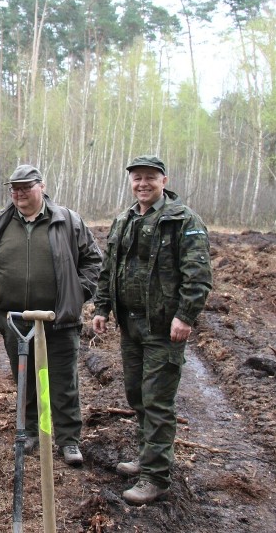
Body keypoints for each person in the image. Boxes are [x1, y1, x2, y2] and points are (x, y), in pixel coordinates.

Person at [92, 155, 213, 505]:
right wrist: (102, 308)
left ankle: (156, 476)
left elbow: (198, 275)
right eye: (136, 178)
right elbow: (108, 268)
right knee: (137, 395)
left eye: (149, 178)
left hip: (163, 327)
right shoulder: (125, 219)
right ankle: (148, 455)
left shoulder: (183, 220)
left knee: (158, 401)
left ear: (164, 180)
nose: (142, 184)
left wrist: (185, 316)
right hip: (130, 325)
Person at [0, 164, 103, 466]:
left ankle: (68, 440)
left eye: (25, 187)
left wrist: (77, 291)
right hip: (15, 320)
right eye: (14, 189)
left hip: (59, 319)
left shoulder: (66, 221)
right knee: (24, 379)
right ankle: (29, 431)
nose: (19, 194)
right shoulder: (1, 226)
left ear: (41, 187)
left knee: (63, 380)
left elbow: (93, 259)